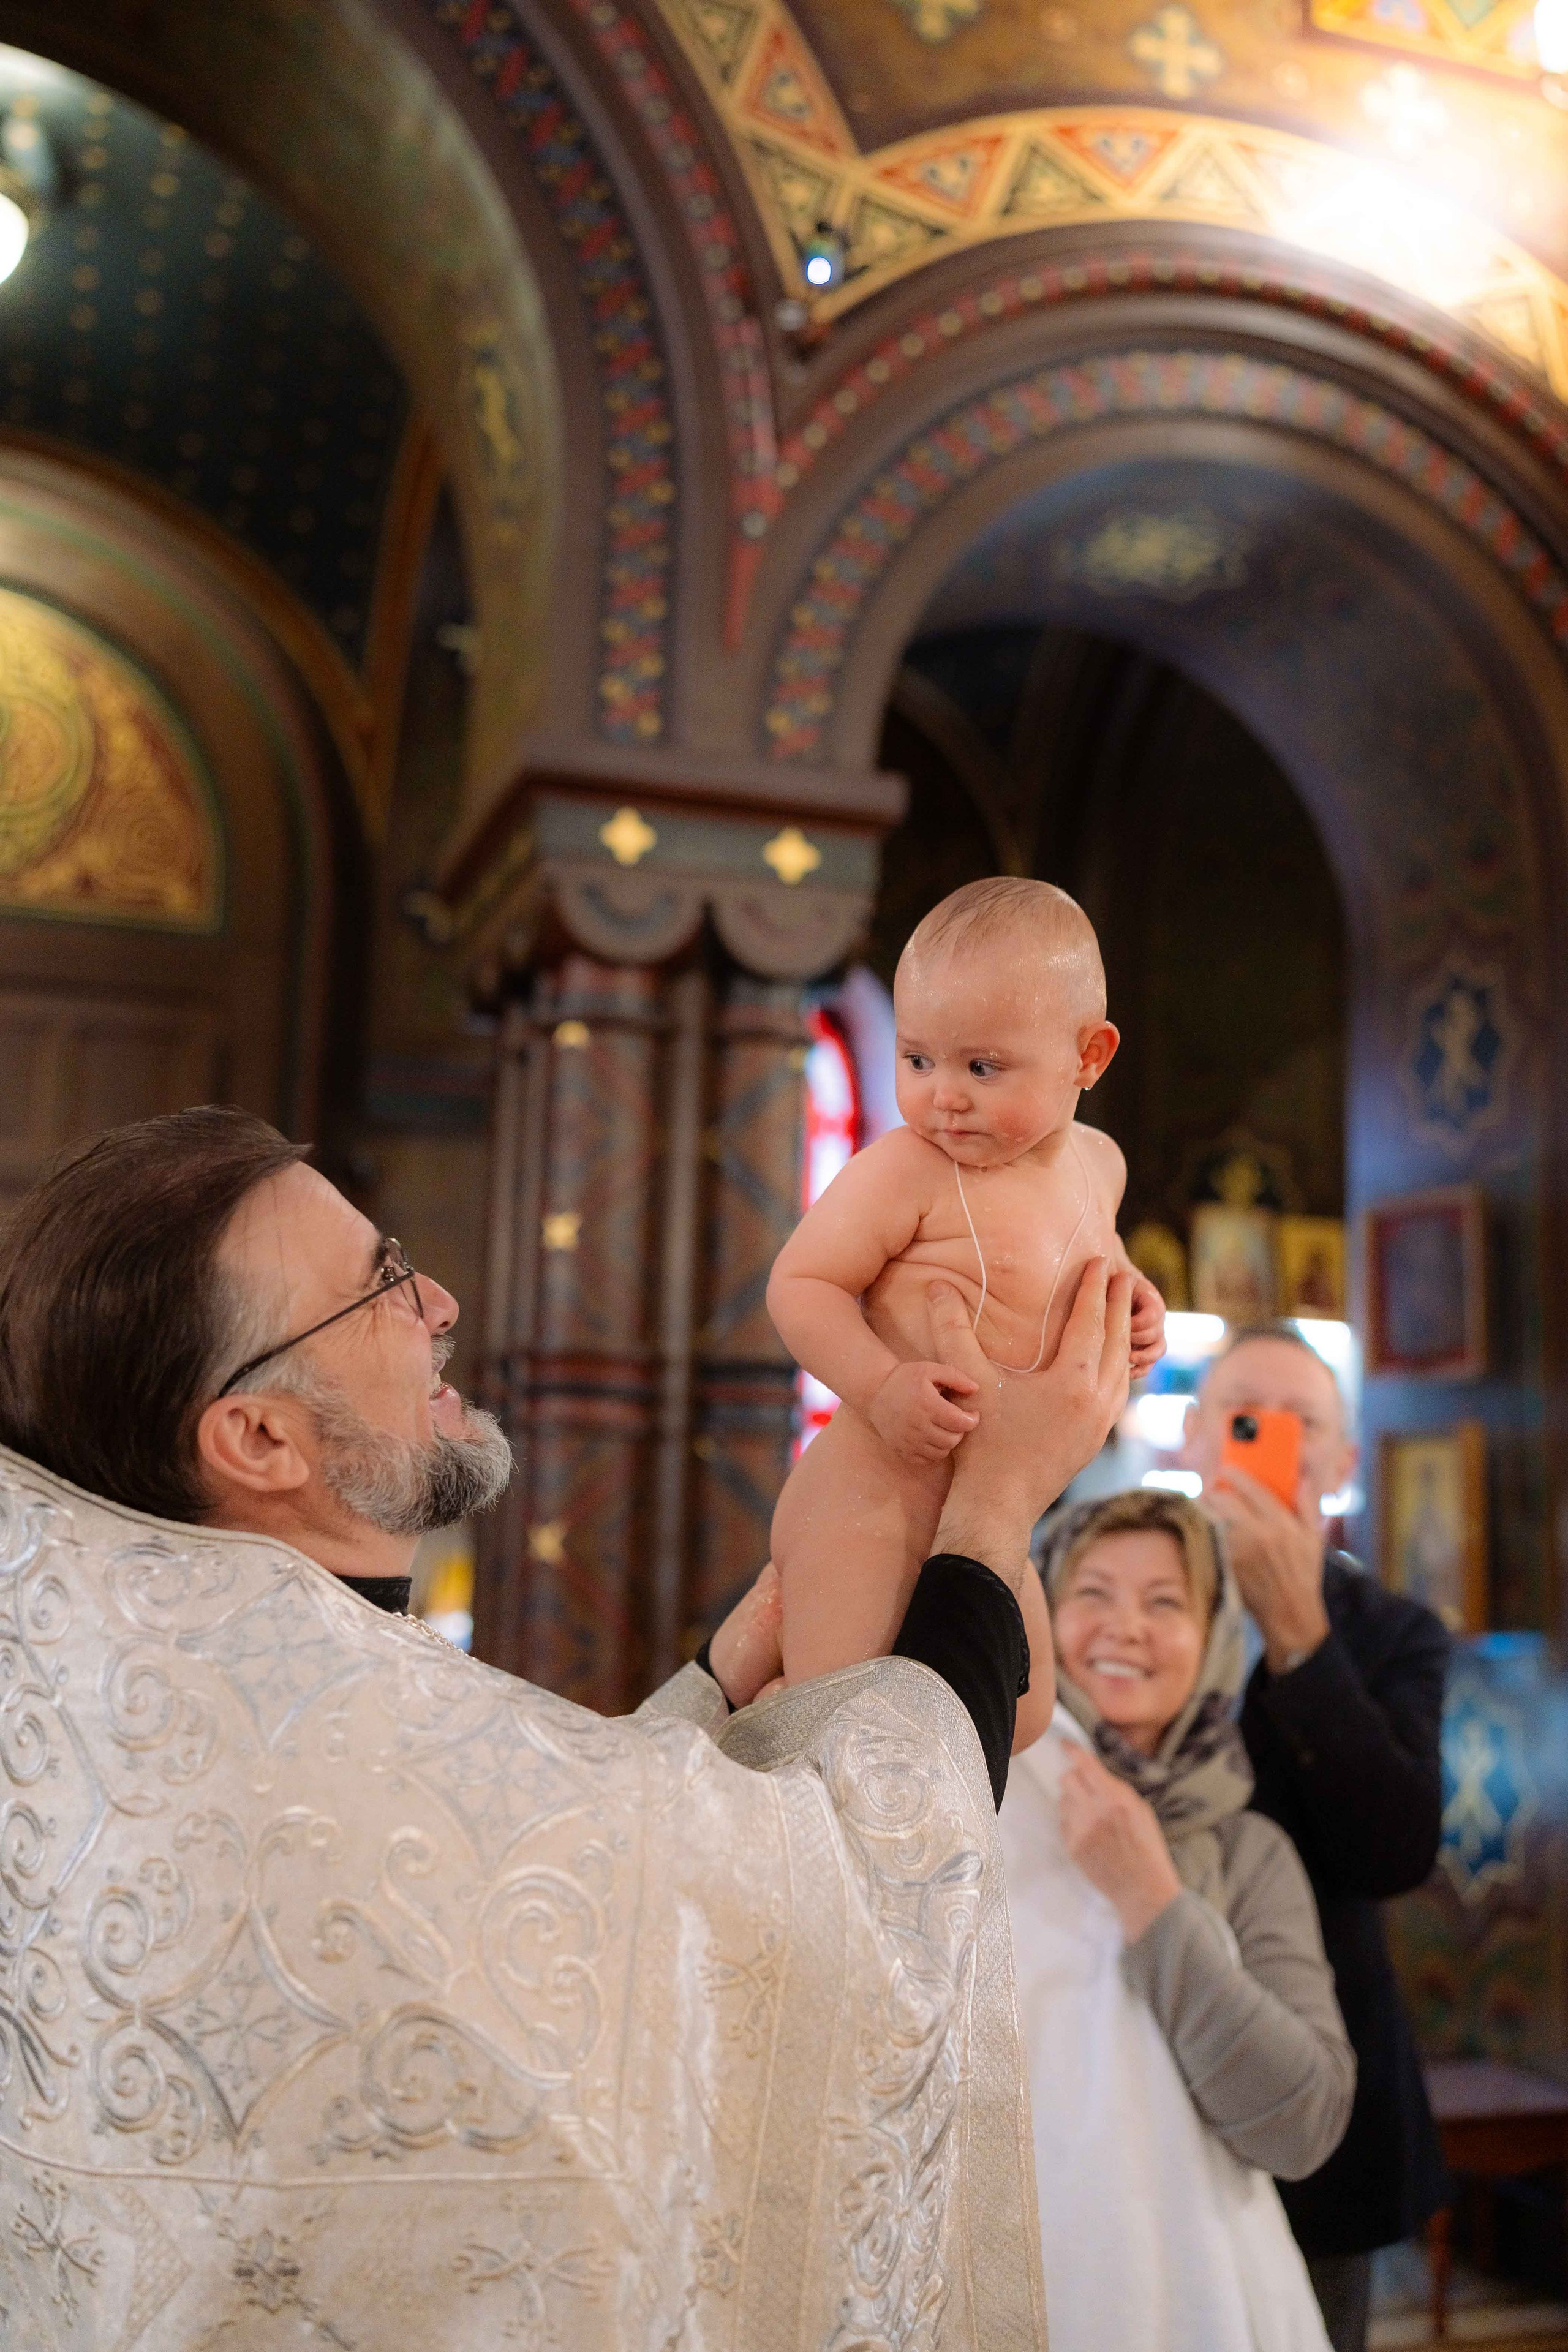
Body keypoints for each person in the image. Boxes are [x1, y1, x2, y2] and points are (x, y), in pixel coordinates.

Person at [0, 1105, 1136, 2350]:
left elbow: (552, 1947)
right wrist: (995, 1507)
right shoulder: (336, 1765)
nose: (434, 1300)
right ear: (260, 1437)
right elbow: (862, 1916)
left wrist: (707, 1690)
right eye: (377, 1285)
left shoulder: (141, 1708)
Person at [767, 876, 1165, 1749]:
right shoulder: (905, 1170)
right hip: (871, 1500)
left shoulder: (1098, 1167)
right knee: (847, 1736)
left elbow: (1105, 1263)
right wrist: (880, 1386)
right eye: (917, 1060)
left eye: (982, 1067)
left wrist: (1139, 1310)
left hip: (1002, 1510)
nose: (943, 1095)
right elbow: (801, 1285)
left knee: (1016, 1721)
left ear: (1088, 1057)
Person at [1003, 1488, 1354, 2352]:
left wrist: (1152, 1903)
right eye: (1091, 1595)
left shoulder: (1248, 1851)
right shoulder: (983, 1792)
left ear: (1216, 1642)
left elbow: (1301, 2121)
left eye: (1165, 1603)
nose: (1125, 1627)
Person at [1185, 1324, 1450, 2352]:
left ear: (1342, 1461)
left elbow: (1394, 1852)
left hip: (1321, 2077)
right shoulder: (1121, 1600)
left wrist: (1301, 1638)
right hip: (1147, 2044)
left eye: (1306, 1426)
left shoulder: (1394, 1634)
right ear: (1198, 1438)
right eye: (1249, 1416)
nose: (1274, 1442)